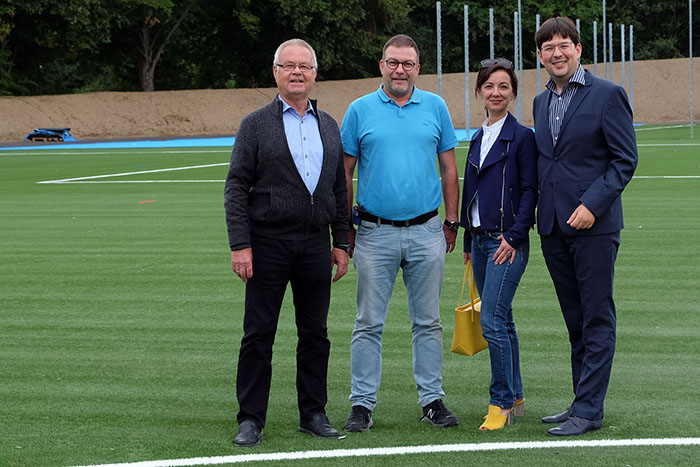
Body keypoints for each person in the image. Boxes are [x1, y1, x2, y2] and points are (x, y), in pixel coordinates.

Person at [224, 38, 350, 447]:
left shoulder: (328, 124)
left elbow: (338, 187)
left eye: (305, 66)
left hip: (315, 244)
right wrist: (240, 245)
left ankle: (312, 412)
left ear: (315, 74)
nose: (297, 72)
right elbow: (236, 187)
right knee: (259, 333)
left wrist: (341, 241)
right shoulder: (255, 124)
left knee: (315, 332)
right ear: (275, 72)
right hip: (267, 244)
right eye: (289, 65)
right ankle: (250, 418)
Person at [340, 34, 460, 432]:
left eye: (407, 63)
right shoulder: (359, 110)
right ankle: (361, 405)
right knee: (368, 322)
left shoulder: (436, 107)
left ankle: (431, 400)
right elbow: (345, 174)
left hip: (427, 230)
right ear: (381, 65)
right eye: (393, 62)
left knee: (428, 322)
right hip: (374, 232)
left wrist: (452, 221)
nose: (400, 70)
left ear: (417, 68)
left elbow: (449, 169)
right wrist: (345, 229)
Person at [533, 17, 638, 436]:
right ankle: (582, 400)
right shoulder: (541, 103)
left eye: (564, 45)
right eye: (548, 47)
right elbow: (549, 162)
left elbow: (624, 161)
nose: (556, 53)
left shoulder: (608, 95)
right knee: (575, 320)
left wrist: (592, 205)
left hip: (593, 226)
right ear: (539, 56)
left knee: (596, 317)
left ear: (578, 49)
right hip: (554, 228)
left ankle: (589, 410)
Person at [460, 58, 537, 431]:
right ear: (480, 92)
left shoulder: (522, 137)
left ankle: (501, 402)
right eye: (489, 86)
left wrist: (515, 235)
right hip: (479, 240)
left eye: (504, 86)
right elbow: (469, 191)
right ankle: (517, 395)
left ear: (513, 93)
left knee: (491, 321)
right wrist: (466, 241)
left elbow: (529, 192)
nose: (496, 93)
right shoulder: (477, 136)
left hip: (507, 242)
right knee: (502, 320)